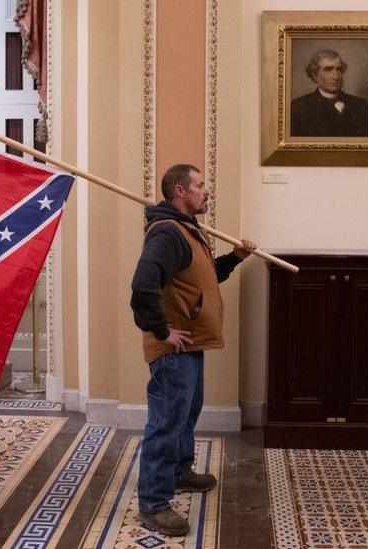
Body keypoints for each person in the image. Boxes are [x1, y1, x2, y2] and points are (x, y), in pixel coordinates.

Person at [130, 163, 256, 536]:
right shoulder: (168, 234)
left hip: (192, 344)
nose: (207, 191)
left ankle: (181, 472)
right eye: (200, 185)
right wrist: (160, 330)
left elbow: (203, 277)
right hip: (174, 351)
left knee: (186, 414)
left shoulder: (189, 231)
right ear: (180, 192)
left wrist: (236, 257)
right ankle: (153, 503)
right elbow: (142, 286)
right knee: (166, 423)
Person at [290, 49, 368, 137]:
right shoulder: (298, 107)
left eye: (339, 69)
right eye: (328, 70)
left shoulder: (362, 106)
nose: (336, 76)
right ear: (315, 76)